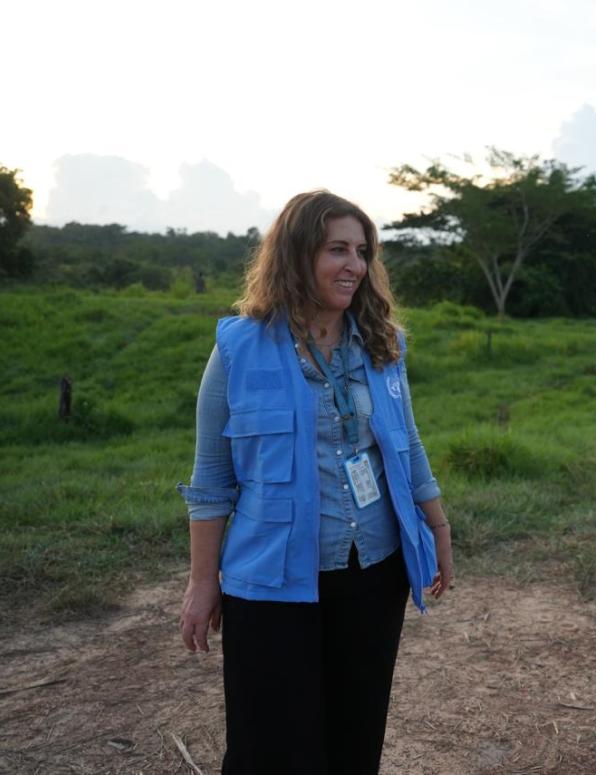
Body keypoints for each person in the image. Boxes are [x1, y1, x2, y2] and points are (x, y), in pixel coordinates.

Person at [177, 190, 454, 774]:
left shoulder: (384, 344)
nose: (353, 264)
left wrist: (438, 529)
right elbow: (210, 483)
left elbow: (408, 444)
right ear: (298, 254)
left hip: (371, 571)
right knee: (268, 748)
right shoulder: (238, 349)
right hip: (270, 582)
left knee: (355, 736)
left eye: (361, 250)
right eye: (337, 249)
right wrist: (203, 584)